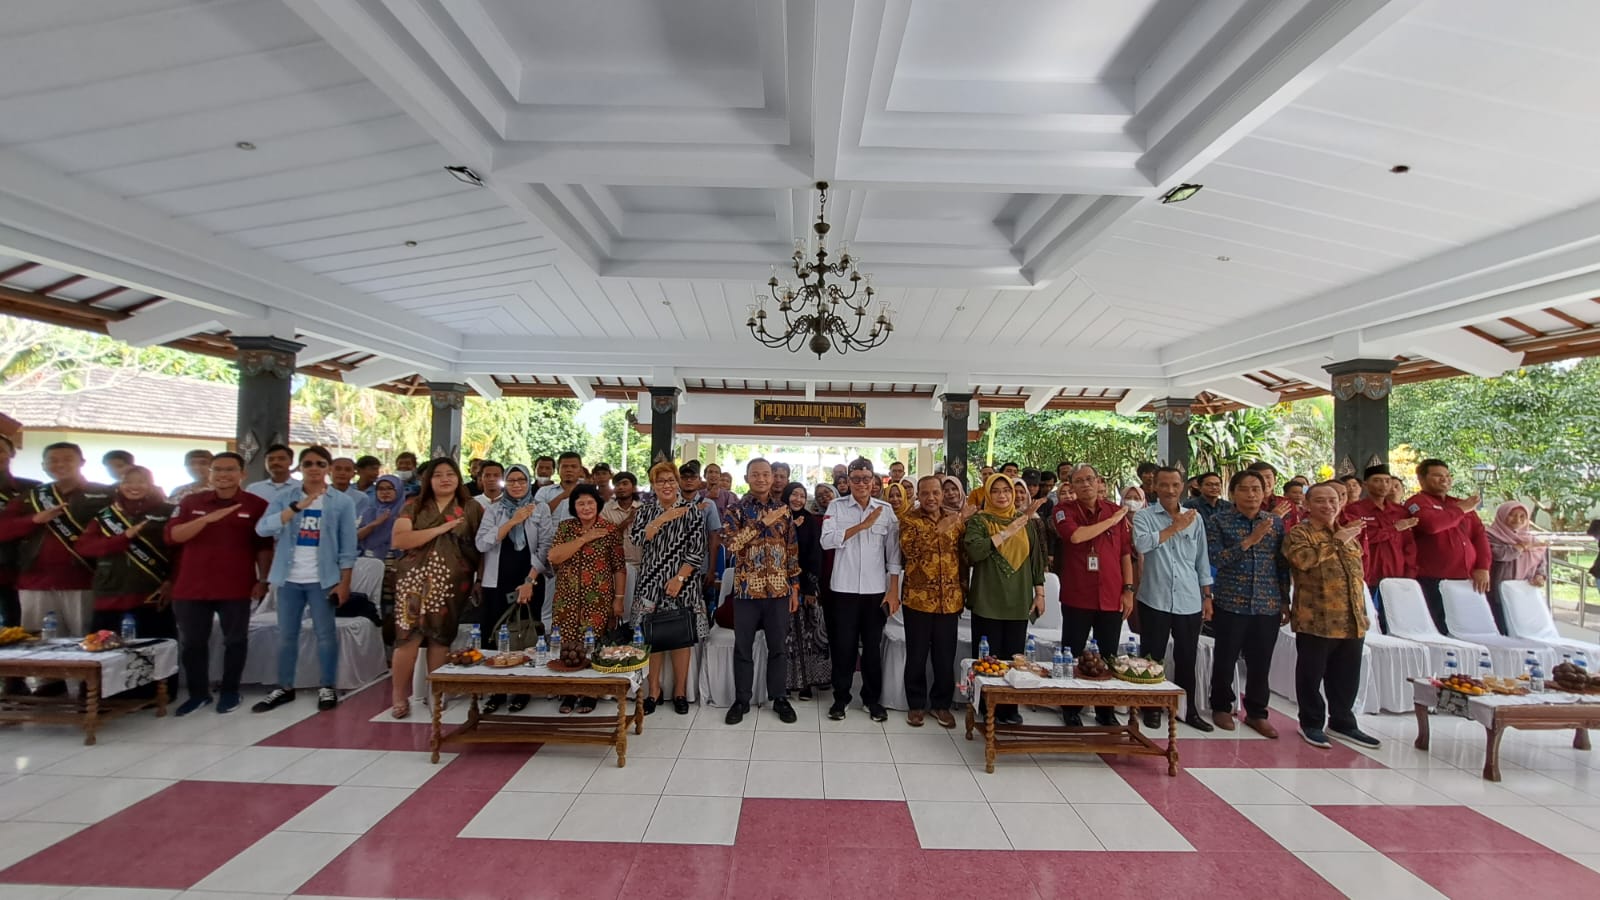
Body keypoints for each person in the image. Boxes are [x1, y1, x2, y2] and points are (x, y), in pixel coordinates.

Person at [253, 446, 359, 713]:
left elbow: (348, 547)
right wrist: (296, 508)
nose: (313, 468)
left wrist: (344, 582)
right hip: (288, 578)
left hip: (323, 579)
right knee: (286, 635)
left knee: (325, 634)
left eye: (320, 463)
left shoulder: (341, 502)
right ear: (299, 468)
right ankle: (284, 686)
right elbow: (263, 527)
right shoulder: (285, 497)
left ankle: (327, 686)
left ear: (328, 468)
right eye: (308, 463)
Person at [164, 452, 271, 715]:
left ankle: (230, 691)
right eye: (218, 470)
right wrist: (205, 520)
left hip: (235, 586)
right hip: (191, 586)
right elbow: (173, 536)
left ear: (242, 474)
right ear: (209, 474)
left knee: (235, 640)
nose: (223, 475)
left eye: (230, 470)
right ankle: (198, 694)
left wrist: (263, 579)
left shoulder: (256, 504)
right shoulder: (191, 502)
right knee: (193, 643)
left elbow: (264, 547)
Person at [1283, 482, 1379, 750]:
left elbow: (1358, 575)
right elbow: (1302, 561)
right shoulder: (1300, 533)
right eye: (1321, 501)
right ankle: (1311, 723)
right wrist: (1337, 541)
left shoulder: (1347, 533)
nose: (1328, 506)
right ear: (1307, 505)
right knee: (1311, 675)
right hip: (1316, 619)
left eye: (1333, 500)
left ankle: (1343, 721)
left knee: (1347, 675)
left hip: (1351, 619)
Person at [387, 459, 483, 718]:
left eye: (450, 474)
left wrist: (479, 579)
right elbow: (400, 539)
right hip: (413, 582)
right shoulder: (414, 506)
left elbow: (482, 547)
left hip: (452, 583)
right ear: (428, 480)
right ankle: (399, 696)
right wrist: (440, 529)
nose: (445, 479)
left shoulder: (471, 508)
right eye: (438, 475)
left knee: (441, 639)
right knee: (407, 638)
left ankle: (436, 695)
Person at [1205, 470, 1290, 737]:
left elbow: (1281, 565)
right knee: (1225, 657)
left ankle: (1256, 712)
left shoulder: (1275, 523)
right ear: (1233, 493)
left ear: (1265, 492)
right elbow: (1216, 559)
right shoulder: (1219, 521)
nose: (1251, 494)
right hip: (1232, 600)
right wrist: (1250, 541)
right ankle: (1221, 705)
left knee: (1260, 661)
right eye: (1245, 489)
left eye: (1257, 488)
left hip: (1267, 602)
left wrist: (1285, 601)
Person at [0, 442, 112, 640]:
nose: (60, 464)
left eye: (68, 459)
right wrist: (34, 519)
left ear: (82, 462)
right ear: (43, 465)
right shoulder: (32, 496)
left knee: (87, 644)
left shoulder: (106, 494)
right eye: (53, 460)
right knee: (37, 648)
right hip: (35, 582)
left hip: (85, 581)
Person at [1131, 467, 1214, 731]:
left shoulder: (1195, 519)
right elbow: (1142, 545)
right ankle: (1151, 708)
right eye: (1164, 485)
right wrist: (1174, 527)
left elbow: (1202, 559)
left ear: (1183, 487)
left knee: (1187, 658)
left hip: (1189, 600)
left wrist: (1207, 596)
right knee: (1152, 658)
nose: (1169, 490)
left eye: (1175, 485)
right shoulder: (1144, 516)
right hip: (1154, 598)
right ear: (1155, 487)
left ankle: (1188, 711)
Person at [820, 458, 902, 722]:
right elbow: (826, 541)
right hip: (842, 590)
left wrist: (893, 591)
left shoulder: (886, 510)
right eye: (855, 479)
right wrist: (861, 526)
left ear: (874, 482)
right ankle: (840, 698)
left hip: (875, 591)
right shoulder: (836, 506)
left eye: (866, 479)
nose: (861, 484)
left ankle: (871, 699)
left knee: (872, 648)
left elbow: (894, 556)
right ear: (848, 481)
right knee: (843, 647)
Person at [1054, 464, 1132, 726]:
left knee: (1108, 655)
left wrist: (1128, 590)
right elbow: (1076, 537)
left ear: (1100, 482)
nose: (1086, 484)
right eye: (1079, 481)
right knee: (1072, 653)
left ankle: (1105, 711)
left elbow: (1124, 555)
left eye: (1090, 479)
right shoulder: (1063, 511)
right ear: (1072, 486)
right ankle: (1071, 708)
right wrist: (1111, 521)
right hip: (1078, 594)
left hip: (1111, 594)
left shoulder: (1113, 509)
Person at [722, 458, 799, 725]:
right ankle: (742, 699)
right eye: (756, 474)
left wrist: (795, 588)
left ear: (774, 478)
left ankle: (778, 697)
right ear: (747, 478)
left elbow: (791, 550)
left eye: (766, 474)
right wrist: (761, 523)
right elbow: (731, 546)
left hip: (779, 591)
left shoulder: (784, 510)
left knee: (778, 647)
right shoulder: (736, 510)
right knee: (743, 648)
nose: (763, 479)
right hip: (746, 591)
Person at [966, 473, 1046, 725]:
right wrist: (1006, 532)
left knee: (1014, 656)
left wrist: (1040, 592)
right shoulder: (980, 521)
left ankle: (1009, 708)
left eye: (1007, 491)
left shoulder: (1026, 522)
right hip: (988, 596)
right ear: (988, 494)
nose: (1002, 495)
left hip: (1018, 598)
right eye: (996, 491)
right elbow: (974, 551)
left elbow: (1036, 561)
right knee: (987, 658)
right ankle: (985, 703)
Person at [628, 462, 707, 715]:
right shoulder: (645, 510)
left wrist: (679, 579)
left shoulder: (692, 510)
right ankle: (654, 691)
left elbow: (698, 550)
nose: (667, 485)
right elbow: (638, 539)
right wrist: (663, 518)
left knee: (680, 639)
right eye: (661, 481)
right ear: (653, 485)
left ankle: (680, 691)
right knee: (653, 639)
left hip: (683, 583)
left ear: (678, 482)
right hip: (651, 582)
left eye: (671, 480)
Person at [899, 475, 971, 728]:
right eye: (925, 493)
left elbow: (963, 560)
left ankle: (941, 705)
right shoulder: (909, 519)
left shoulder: (956, 520)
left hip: (949, 600)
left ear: (942, 494)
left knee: (944, 656)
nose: (931, 498)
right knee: (917, 655)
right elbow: (910, 552)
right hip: (918, 599)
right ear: (918, 495)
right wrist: (942, 528)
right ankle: (916, 705)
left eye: (936, 493)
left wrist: (964, 591)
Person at [547, 483, 624, 714]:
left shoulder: (610, 530)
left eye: (590, 502)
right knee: (567, 646)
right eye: (581, 503)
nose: (586, 507)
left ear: (598, 504)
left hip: (598, 600)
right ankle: (569, 692)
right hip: (566, 599)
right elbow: (554, 557)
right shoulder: (566, 528)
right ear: (574, 507)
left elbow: (619, 568)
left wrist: (618, 599)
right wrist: (584, 538)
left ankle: (591, 693)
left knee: (593, 646)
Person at [475, 464, 546, 714]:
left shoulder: (540, 509)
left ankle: (523, 688)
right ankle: (497, 689)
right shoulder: (494, 509)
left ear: (529, 483)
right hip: (497, 581)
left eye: (522, 480)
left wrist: (529, 581)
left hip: (529, 579)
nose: (517, 485)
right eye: (512, 480)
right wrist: (513, 521)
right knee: (496, 635)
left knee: (525, 634)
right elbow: (482, 543)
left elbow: (545, 547)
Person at [75, 466, 177, 639]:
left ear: (151, 484)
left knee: (155, 651)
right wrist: (124, 538)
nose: (134, 486)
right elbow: (84, 548)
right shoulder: (106, 515)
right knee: (105, 649)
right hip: (110, 593)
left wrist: (172, 581)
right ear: (119, 485)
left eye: (141, 481)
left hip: (153, 595)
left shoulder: (169, 511)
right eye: (127, 481)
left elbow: (180, 551)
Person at [1405, 459, 1490, 634]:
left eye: (1447, 476)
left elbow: (1479, 536)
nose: (1444, 480)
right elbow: (1432, 525)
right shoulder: (1417, 502)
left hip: (1466, 580)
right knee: (1439, 628)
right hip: (1433, 579)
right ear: (1421, 478)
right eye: (1437, 476)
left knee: (1468, 629)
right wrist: (1460, 510)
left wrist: (1483, 567)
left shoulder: (1458, 503)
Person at [1339, 465, 1417, 631]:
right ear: (1365, 485)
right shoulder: (1354, 510)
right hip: (1368, 573)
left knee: (1395, 622)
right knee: (1368, 621)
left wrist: (1410, 572)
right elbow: (1360, 538)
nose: (1383, 485)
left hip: (1396, 573)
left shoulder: (1400, 512)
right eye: (1377, 481)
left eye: (1387, 481)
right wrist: (1393, 529)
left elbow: (1409, 545)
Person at [779, 482, 829, 701]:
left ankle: (809, 682)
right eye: (794, 495)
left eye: (802, 495)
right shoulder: (776, 517)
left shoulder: (810, 521)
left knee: (809, 636)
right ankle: (788, 681)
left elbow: (815, 555)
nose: (798, 499)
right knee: (786, 636)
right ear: (786, 496)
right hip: (781, 584)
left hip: (806, 584)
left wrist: (809, 588)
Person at [1485, 501, 1547, 635]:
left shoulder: (1531, 538)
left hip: (1523, 591)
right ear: (1502, 516)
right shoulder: (1490, 535)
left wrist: (1540, 575)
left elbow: (1541, 561)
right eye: (1511, 515)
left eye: (1522, 516)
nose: (1517, 519)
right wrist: (1520, 547)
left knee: (1522, 629)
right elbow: (1500, 555)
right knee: (1501, 628)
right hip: (1499, 591)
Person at [0, 434, 39, 635]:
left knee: (18, 630)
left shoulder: (32, 489)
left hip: (21, 569)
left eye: (1, 450)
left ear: (12, 453)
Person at [359, 475, 406, 559]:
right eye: (380, 489)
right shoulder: (370, 512)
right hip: (370, 560)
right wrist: (375, 523)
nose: (385, 492)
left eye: (389, 488)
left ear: (398, 490)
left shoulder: (406, 512)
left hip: (399, 560)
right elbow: (357, 537)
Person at [330, 457, 375, 528]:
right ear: (329, 471)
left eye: (347, 470)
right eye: (338, 469)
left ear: (353, 474)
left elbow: (359, 523)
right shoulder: (318, 495)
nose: (342, 473)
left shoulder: (362, 498)